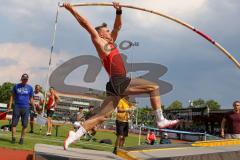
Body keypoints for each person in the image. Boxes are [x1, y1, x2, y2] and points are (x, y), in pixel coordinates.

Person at [63, 2, 179, 150]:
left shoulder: (111, 43)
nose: (110, 32)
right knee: (153, 87)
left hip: (114, 84)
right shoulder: (99, 42)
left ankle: (74, 136)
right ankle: (160, 119)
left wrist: (119, 12)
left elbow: (118, 27)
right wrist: (71, 9)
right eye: (107, 31)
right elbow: (85, 24)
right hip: (119, 81)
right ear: (101, 34)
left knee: (102, 116)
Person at [7, 73, 34, 144]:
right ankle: (13, 138)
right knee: (13, 124)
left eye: (26, 79)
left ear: (27, 80)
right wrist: (10, 106)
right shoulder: (16, 86)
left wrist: (34, 107)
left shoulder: (30, 88)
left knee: (25, 125)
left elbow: (31, 98)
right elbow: (12, 96)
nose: (25, 80)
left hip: (26, 107)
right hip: (17, 107)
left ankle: (21, 139)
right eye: (24, 79)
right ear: (21, 79)